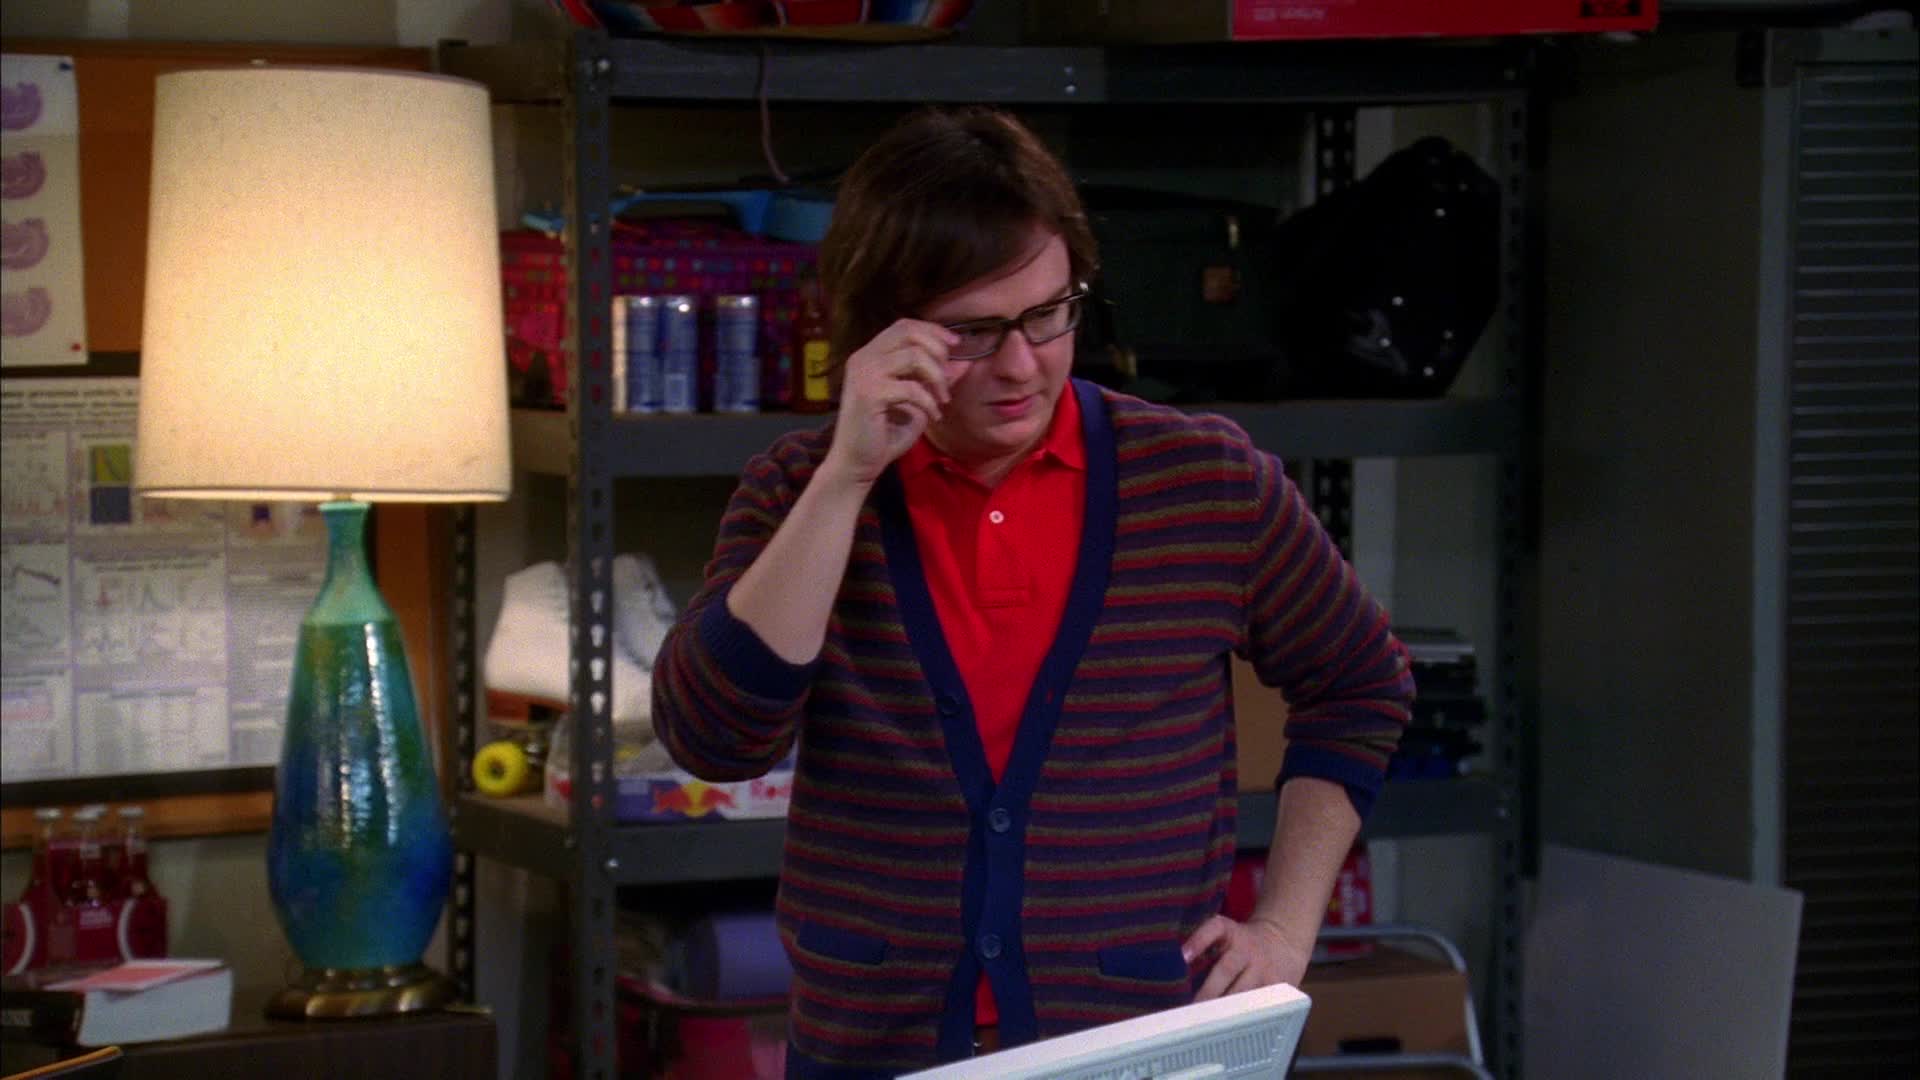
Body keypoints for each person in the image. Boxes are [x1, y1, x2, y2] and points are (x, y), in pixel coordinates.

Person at [652, 106, 1412, 1079]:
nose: (1021, 365)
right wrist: (846, 477)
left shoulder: (1202, 480)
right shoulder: (800, 489)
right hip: (873, 1048)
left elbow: (1360, 684)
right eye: (972, 332)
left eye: (1049, 314)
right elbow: (714, 739)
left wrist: (1285, 929)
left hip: (1137, 1042)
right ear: (885, 329)